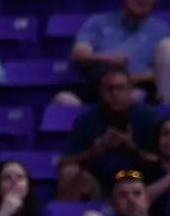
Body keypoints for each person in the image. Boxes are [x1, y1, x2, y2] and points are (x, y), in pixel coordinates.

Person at [67, 0, 170, 104]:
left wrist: (124, 79)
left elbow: (164, 74)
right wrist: (106, 59)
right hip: (97, 86)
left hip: (137, 89)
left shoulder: (161, 31)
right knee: (64, 101)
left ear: (154, 2)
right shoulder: (98, 22)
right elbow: (79, 54)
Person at [57, 67, 160, 201]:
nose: (115, 93)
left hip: (141, 182)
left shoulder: (149, 118)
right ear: (100, 92)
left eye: (120, 88)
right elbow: (64, 163)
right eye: (109, 89)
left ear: (130, 91)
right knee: (70, 173)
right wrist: (92, 152)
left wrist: (133, 150)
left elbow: (162, 162)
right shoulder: (86, 121)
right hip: (100, 185)